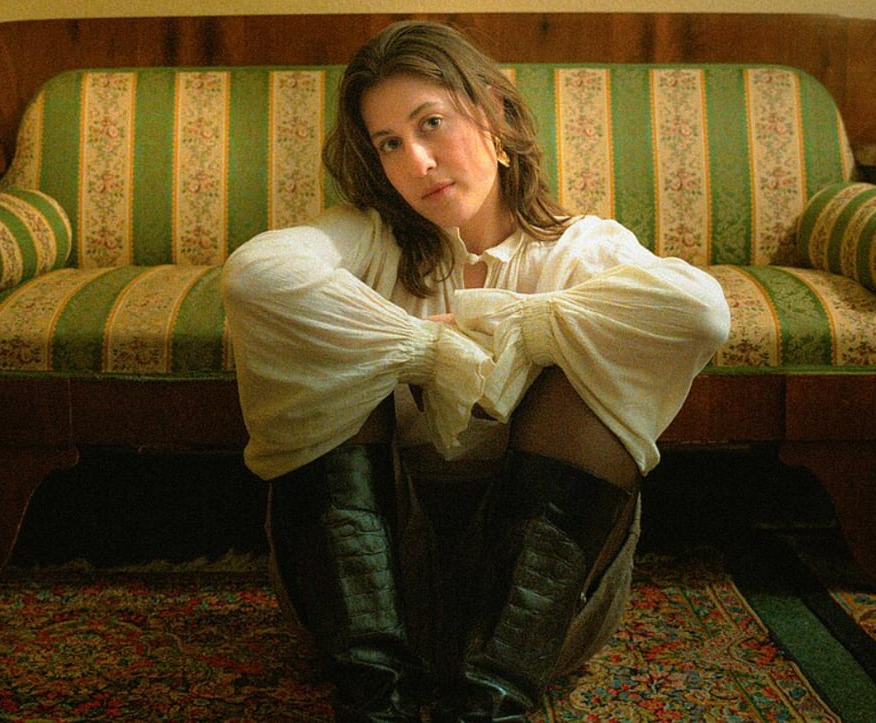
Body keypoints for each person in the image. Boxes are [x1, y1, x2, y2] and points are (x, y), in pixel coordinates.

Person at [222, 20, 730, 723]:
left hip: (536, 620)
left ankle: (493, 700)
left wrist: (528, 329)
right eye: (389, 143)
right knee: (333, 358)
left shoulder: (582, 250)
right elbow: (256, 278)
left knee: (585, 367)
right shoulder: (367, 238)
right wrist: (418, 348)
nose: (417, 161)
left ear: (493, 113)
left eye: (431, 123)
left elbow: (700, 312)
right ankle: (374, 693)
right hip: (368, 597)